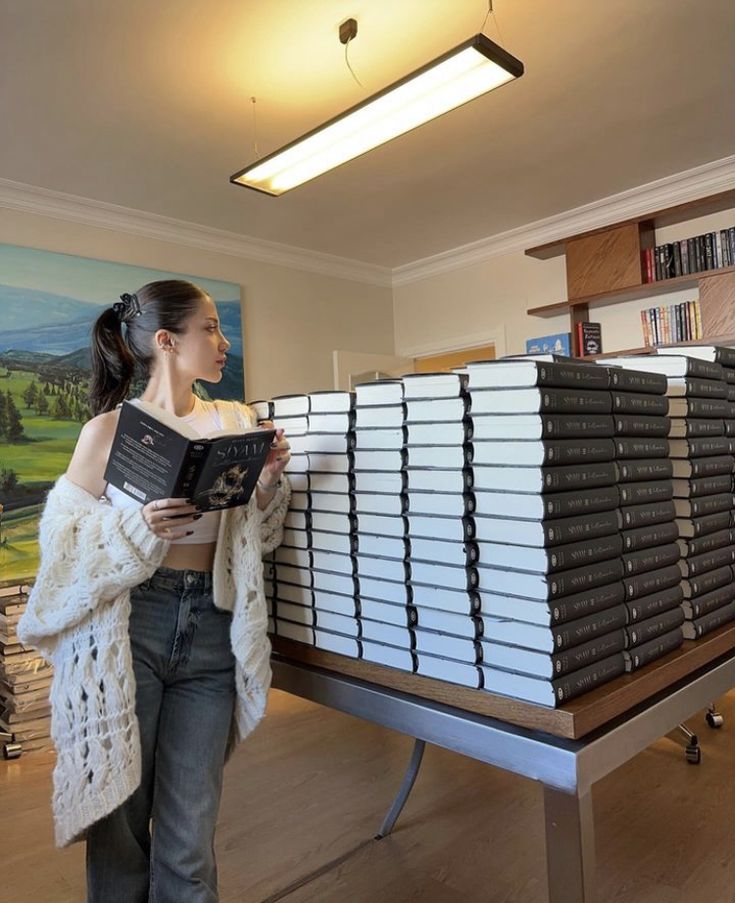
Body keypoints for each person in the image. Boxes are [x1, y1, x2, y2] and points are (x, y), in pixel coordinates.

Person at [18, 279, 291, 903]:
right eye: (211, 329)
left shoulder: (236, 422)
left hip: (215, 629)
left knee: (191, 827)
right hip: (131, 625)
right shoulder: (108, 432)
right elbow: (62, 548)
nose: (224, 344)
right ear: (167, 341)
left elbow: (258, 536)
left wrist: (269, 480)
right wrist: (135, 526)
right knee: (119, 819)